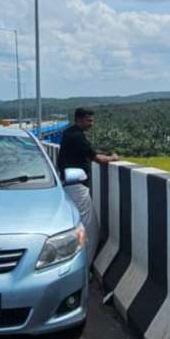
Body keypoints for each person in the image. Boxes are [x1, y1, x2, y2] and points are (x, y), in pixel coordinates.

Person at [57, 108, 119, 264]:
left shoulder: (70, 133)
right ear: (79, 120)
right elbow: (98, 159)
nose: (92, 123)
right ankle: (84, 265)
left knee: (79, 225)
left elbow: (88, 151)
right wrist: (113, 157)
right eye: (89, 120)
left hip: (68, 185)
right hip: (76, 187)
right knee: (89, 228)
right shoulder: (77, 136)